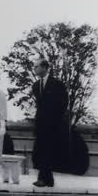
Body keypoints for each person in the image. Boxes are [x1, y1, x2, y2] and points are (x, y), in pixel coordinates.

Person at [31, 58, 68, 187]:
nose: (34, 69)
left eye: (36, 66)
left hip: (53, 125)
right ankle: (47, 179)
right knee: (41, 151)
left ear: (45, 68)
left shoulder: (57, 84)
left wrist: (55, 121)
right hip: (41, 125)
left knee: (48, 151)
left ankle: (44, 178)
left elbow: (64, 104)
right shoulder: (35, 86)